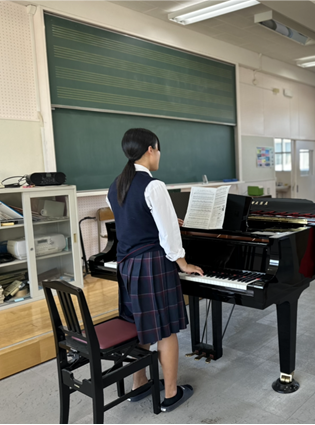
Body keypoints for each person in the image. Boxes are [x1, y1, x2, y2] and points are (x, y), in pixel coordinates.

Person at [106, 128, 204, 412]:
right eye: (158, 150)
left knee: (140, 326)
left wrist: (168, 219)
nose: (159, 155)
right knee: (166, 331)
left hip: (127, 265)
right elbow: (169, 236)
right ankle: (171, 393)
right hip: (152, 265)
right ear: (150, 149)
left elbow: (133, 220)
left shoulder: (115, 185)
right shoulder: (154, 186)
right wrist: (183, 263)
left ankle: (139, 385)